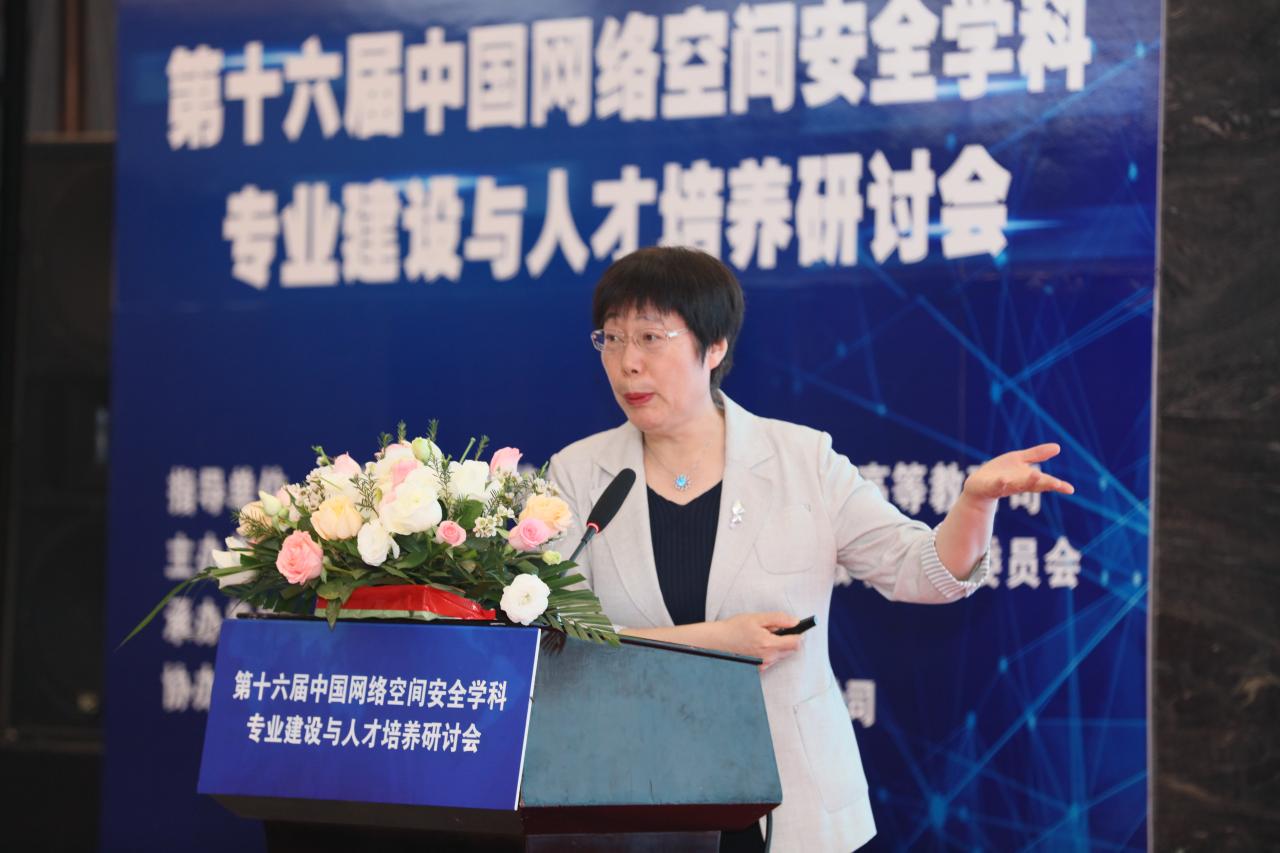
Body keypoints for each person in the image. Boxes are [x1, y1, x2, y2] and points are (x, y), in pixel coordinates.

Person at [546, 247, 1074, 852]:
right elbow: (556, 642)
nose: (628, 363)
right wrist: (715, 643)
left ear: (713, 347)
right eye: (611, 339)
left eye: (650, 337)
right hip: (631, 796)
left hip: (788, 801)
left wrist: (975, 503)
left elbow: (924, 573)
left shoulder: (803, 461)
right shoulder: (578, 473)